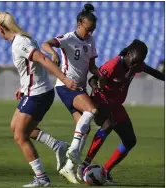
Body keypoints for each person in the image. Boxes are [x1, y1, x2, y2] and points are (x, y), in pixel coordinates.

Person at [0, 11, 77, 187]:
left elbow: (44, 61)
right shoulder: (22, 39)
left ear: (0, 28)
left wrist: (64, 79)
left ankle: (42, 178)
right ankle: (57, 146)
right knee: (15, 127)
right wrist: (23, 87)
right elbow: (32, 68)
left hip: (38, 94)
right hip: (33, 91)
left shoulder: (20, 43)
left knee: (20, 135)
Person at [76, 39, 165, 184]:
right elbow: (92, 79)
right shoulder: (113, 65)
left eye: (139, 63)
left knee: (130, 140)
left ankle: (104, 172)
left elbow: (154, 72)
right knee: (108, 123)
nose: (135, 66)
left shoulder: (137, 65)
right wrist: (96, 86)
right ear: (128, 53)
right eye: (134, 61)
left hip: (116, 105)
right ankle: (85, 165)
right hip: (101, 100)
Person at [41, 3, 105, 184]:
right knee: (92, 111)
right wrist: (53, 51)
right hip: (66, 85)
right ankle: (73, 151)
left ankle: (68, 167)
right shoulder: (68, 38)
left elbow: (91, 66)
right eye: (88, 29)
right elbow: (45, 44)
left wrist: (100, 76)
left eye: (93, 30)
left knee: (84, 128)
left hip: (79, 88)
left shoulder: (90, 41)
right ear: (79, 24)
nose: (90, 33)